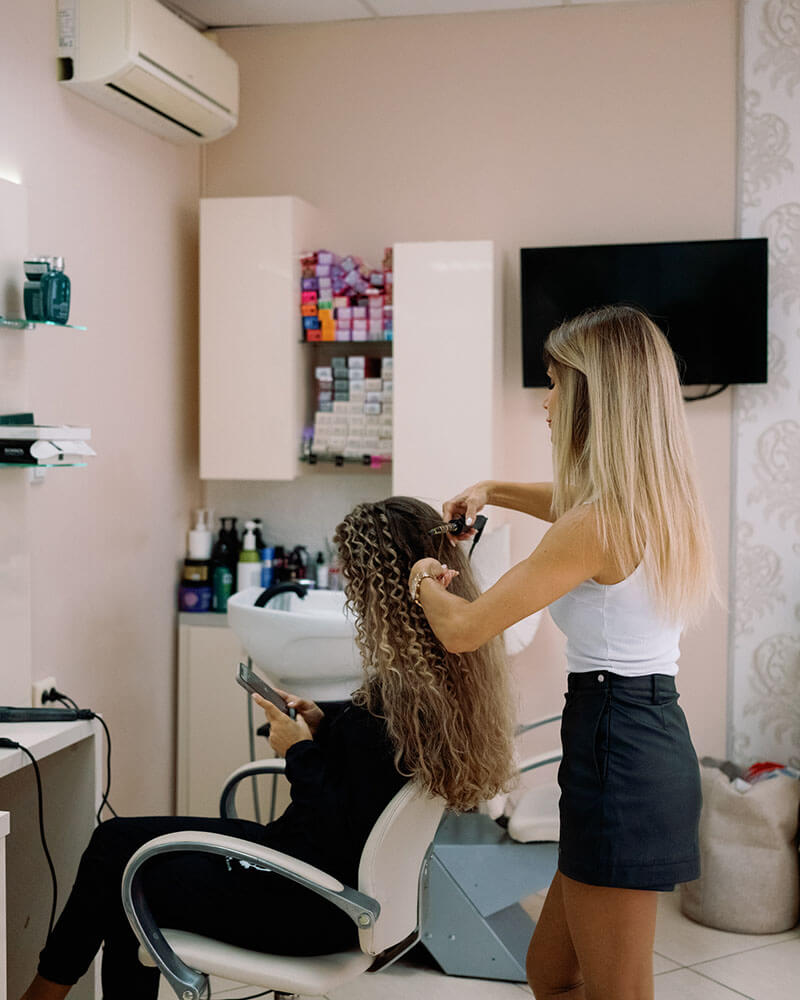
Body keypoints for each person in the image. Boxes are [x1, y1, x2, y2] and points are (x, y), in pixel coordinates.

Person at [21, 496, 515, 1000]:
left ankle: (41, 995)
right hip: (328, 887)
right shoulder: (431, 687)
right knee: (119, 845)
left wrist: (296, 750)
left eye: (356, 577)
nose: (350, 590)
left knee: (124, 867)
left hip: (308, 900)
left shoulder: (400, 699)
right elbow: (366, 775)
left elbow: (330, 822)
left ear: (382, 586)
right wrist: (324, 723)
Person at [408, 305, 715, 1000]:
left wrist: (422, 578)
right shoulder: (651, 500)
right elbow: (569, 504)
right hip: (635, 738)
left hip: (619, 751)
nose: (546, 403)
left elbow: (463, 630)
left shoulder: (597, 524)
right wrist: (491, 488)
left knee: (616, 990)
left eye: (555, 384)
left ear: (594, 396)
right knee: (552, 973)